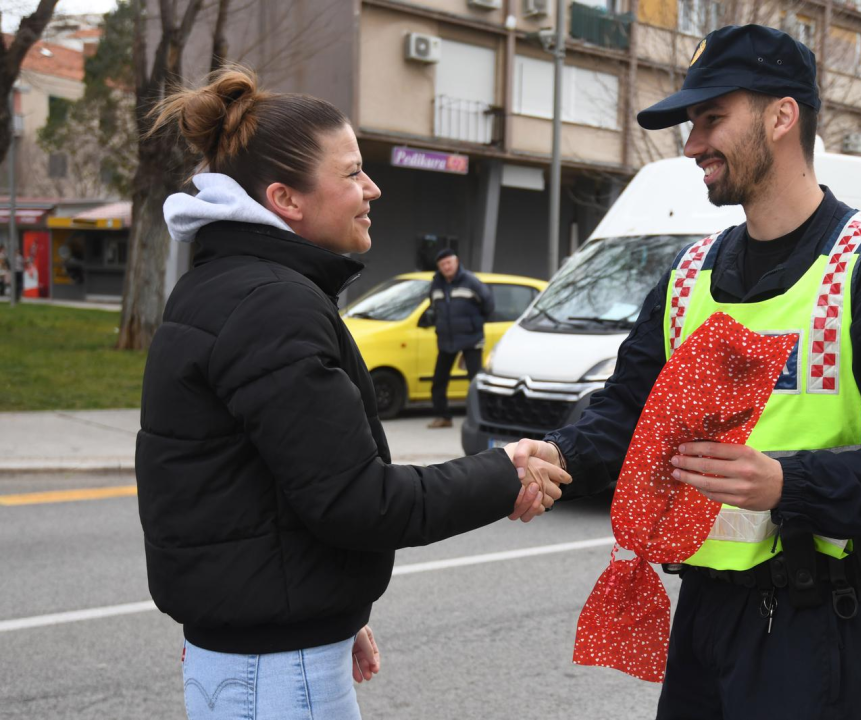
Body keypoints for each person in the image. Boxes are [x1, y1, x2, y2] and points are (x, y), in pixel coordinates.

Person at [513, 24, 861, 719]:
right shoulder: (688, 275)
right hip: (702, 606)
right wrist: (557, 453)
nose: (691, 142)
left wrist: (789, 483)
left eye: (710, 118)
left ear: (781, 115)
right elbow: (626, 413)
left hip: (812, 614)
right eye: (690, 124)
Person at [136, 66, 569, 720]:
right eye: (351, 173)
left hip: (263, 655)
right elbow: (356, 501)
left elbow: (264, 490)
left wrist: (331, 610)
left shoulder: (228, 285)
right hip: (273, 672)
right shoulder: (269, 306)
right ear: (286, 198)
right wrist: (501, 473)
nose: (372, 187)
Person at [426, 247, 493, 429]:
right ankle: (443, 416)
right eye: (442, 265)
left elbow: (488, 304)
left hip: (471, 338)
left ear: (456, 262)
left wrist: (475, 324)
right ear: (439, 267)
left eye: (449, 263)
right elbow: (433, 306)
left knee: (474, 381)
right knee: (439, 379)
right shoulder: (436, 284)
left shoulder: (471, 281)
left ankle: (479, 419)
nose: (446, 267)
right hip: (447, 339)